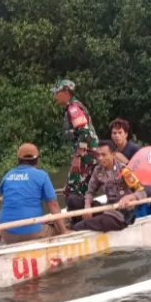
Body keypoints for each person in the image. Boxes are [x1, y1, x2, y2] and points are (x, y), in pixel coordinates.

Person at [0, 143, 70, 244]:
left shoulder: (7, 176)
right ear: (37, 160)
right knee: (65, 222)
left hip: (7, 234)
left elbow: (7, 201)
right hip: (31, 235)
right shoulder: (42, 175)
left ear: (18, 159)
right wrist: (63, 231)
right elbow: (53, 204)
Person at [73, 140, 147, 232]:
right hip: (108, 207)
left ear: (113, 154)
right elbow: (90, 192)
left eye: (104, 155)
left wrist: (129, 197)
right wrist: (87, 205)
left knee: (80, 226)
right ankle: (81, 222)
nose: (100, 158)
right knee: (73, 200)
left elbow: (142, 193)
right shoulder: (98, 170)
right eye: (98, 155)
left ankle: (78, 227)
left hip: (122, 214)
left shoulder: (124, 171)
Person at [51, 79, 99, 219]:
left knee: (72, 191)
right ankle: (83, 218)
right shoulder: (73, 107)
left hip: (85, 156)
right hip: (87, 155)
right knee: (79, 190)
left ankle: (79, 221)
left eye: (57, 93)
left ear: (65, 92)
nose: (55, 96)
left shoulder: (73, 108)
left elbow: (84, 132)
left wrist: (78, 156)